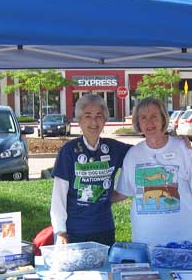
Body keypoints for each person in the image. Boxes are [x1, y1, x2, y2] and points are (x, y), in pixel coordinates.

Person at [114, 97, 192, 246]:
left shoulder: (182, 148)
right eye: (143, 118)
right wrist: (94, 201)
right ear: (138, 123)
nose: (149, 122)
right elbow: (122, 192)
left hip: (183, 240)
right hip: (146, 241)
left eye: (154, 116)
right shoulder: (133, 154)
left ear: (163, 119)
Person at [50, 94, 131, 246]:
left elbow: (143, 154)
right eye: (88, 116)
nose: (94, 122)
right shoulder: (68, 151)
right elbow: (58, 196)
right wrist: (60, 231)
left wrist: (175, 140)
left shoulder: (114, 148)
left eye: (99, 116)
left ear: (105, 120)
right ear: (79, 120)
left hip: (105, 229)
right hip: (74, 231)